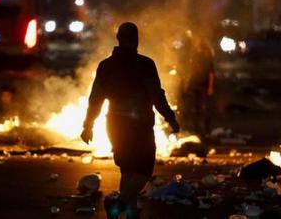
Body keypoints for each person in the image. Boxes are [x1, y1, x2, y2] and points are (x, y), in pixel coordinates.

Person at [80, 22, 180, 219]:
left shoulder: (106, 66)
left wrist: (88, 125)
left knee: (127, 169)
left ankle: (130, 211)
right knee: (143, 169)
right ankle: (120, 202)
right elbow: (156, 96)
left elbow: (96, 99)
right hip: (139, 125)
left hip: (115, 124)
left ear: (118, 39)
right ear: (137, 40)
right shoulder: (145, 64)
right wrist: (170, 118)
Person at [182, 34, 215, 136]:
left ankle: (206, 130)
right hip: (195, 84)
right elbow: (191, 70)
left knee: (205, 109)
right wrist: (188, 82)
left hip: (204, 84)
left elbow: (211, 72)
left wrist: (210, 86)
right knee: (195, 109)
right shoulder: (195, 55)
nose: (197, 45)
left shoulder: (207, 56)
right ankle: (196, 130)